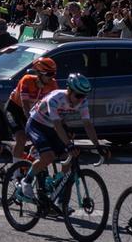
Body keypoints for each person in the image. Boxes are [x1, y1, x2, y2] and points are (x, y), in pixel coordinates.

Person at [18, 73, 108, 202]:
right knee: (48, 156)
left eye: (83, 96)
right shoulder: (55, 98)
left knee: (69, 158)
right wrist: (69, 144)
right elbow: (57, 124)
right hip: (36, 124)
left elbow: (88, 125)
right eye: (78, 95)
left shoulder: (82, 102)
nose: (80, 99)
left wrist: (97, 145)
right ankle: (26, 181)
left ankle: (60, 200)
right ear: (69, 90)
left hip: (52, 127)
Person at [4, 57, 57, 160]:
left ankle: (28, 161)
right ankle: (15, 171)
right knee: (21, 138)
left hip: (32, 111)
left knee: (41, 138)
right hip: (14, 109)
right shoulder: (27, 80)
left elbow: (55, 106)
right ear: (40, 73)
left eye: (54, 73)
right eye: (49, 74)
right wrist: (31, 124)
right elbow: (25, 105)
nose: (52, 77)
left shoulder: (52, 84)